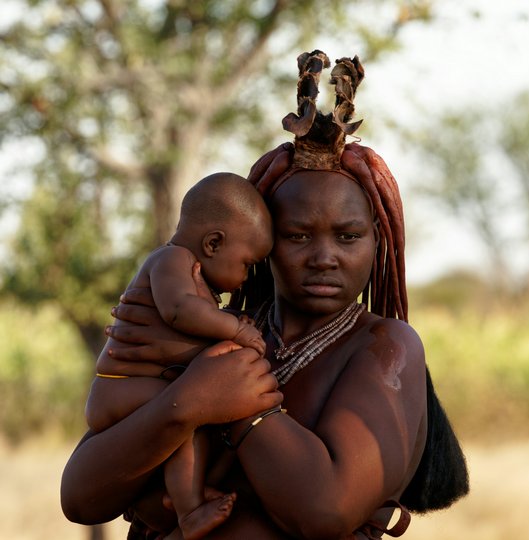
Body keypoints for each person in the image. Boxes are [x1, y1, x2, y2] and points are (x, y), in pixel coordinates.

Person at [61, 51, 469, 539]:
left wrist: (243, 406)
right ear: (258, 246)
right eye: (297, 235)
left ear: (379, 241)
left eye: (348, 236)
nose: (324, 257)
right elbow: (81, 497)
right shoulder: (207, 333)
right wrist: (189, 403)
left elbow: (326, 510)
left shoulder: (385, 347)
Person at [85, 172, 274, 539]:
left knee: (190, 423)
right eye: (248, 264)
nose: (247, 277)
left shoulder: (195, 275)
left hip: (133, 389)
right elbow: (179, 311)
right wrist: (235, 329)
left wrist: (229, 319)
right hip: (120, 387)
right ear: (214, 243)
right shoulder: (172, 259)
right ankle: (189, 511)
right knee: (188, 419)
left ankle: (175, 497)